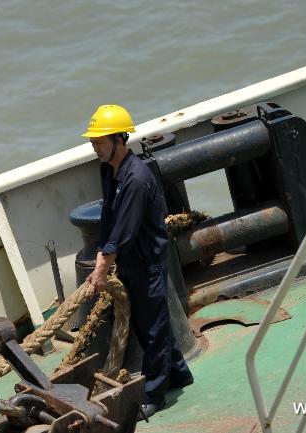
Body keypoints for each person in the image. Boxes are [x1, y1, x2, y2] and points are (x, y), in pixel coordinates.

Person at [81, 104, 193, 420]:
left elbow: (126, 230)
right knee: (151, 327)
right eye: (93, 140)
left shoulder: (137, 179)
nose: (94, 146)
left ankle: (155, 395)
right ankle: (180, 373)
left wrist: (102, 268)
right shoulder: (109, 170)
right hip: (129, 262)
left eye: (99, 140)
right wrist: (102, 252)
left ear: (119, 138)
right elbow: (110, 217)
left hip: (147, 263)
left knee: (153, 332)